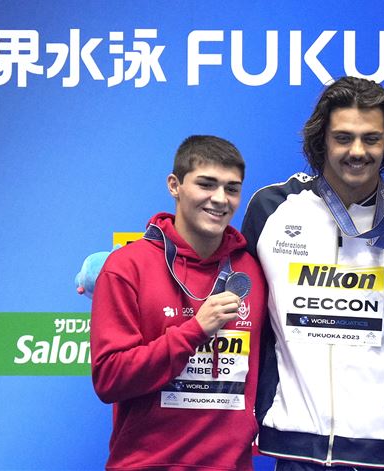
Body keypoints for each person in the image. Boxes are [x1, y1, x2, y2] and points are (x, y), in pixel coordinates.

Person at [241, 76, 384, 470]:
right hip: (295, 444)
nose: (358, 151)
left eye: (371, 139)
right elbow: (245, 320)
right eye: (343, 138)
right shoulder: (272, 208)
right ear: (322, 141)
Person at [90, 135, 267, 471]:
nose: (220, 199)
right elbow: (109, 378)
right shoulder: (128, 267)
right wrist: (194, 331)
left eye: (232, 188)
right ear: (175, 185)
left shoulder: (253, 271)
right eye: (206, 184)